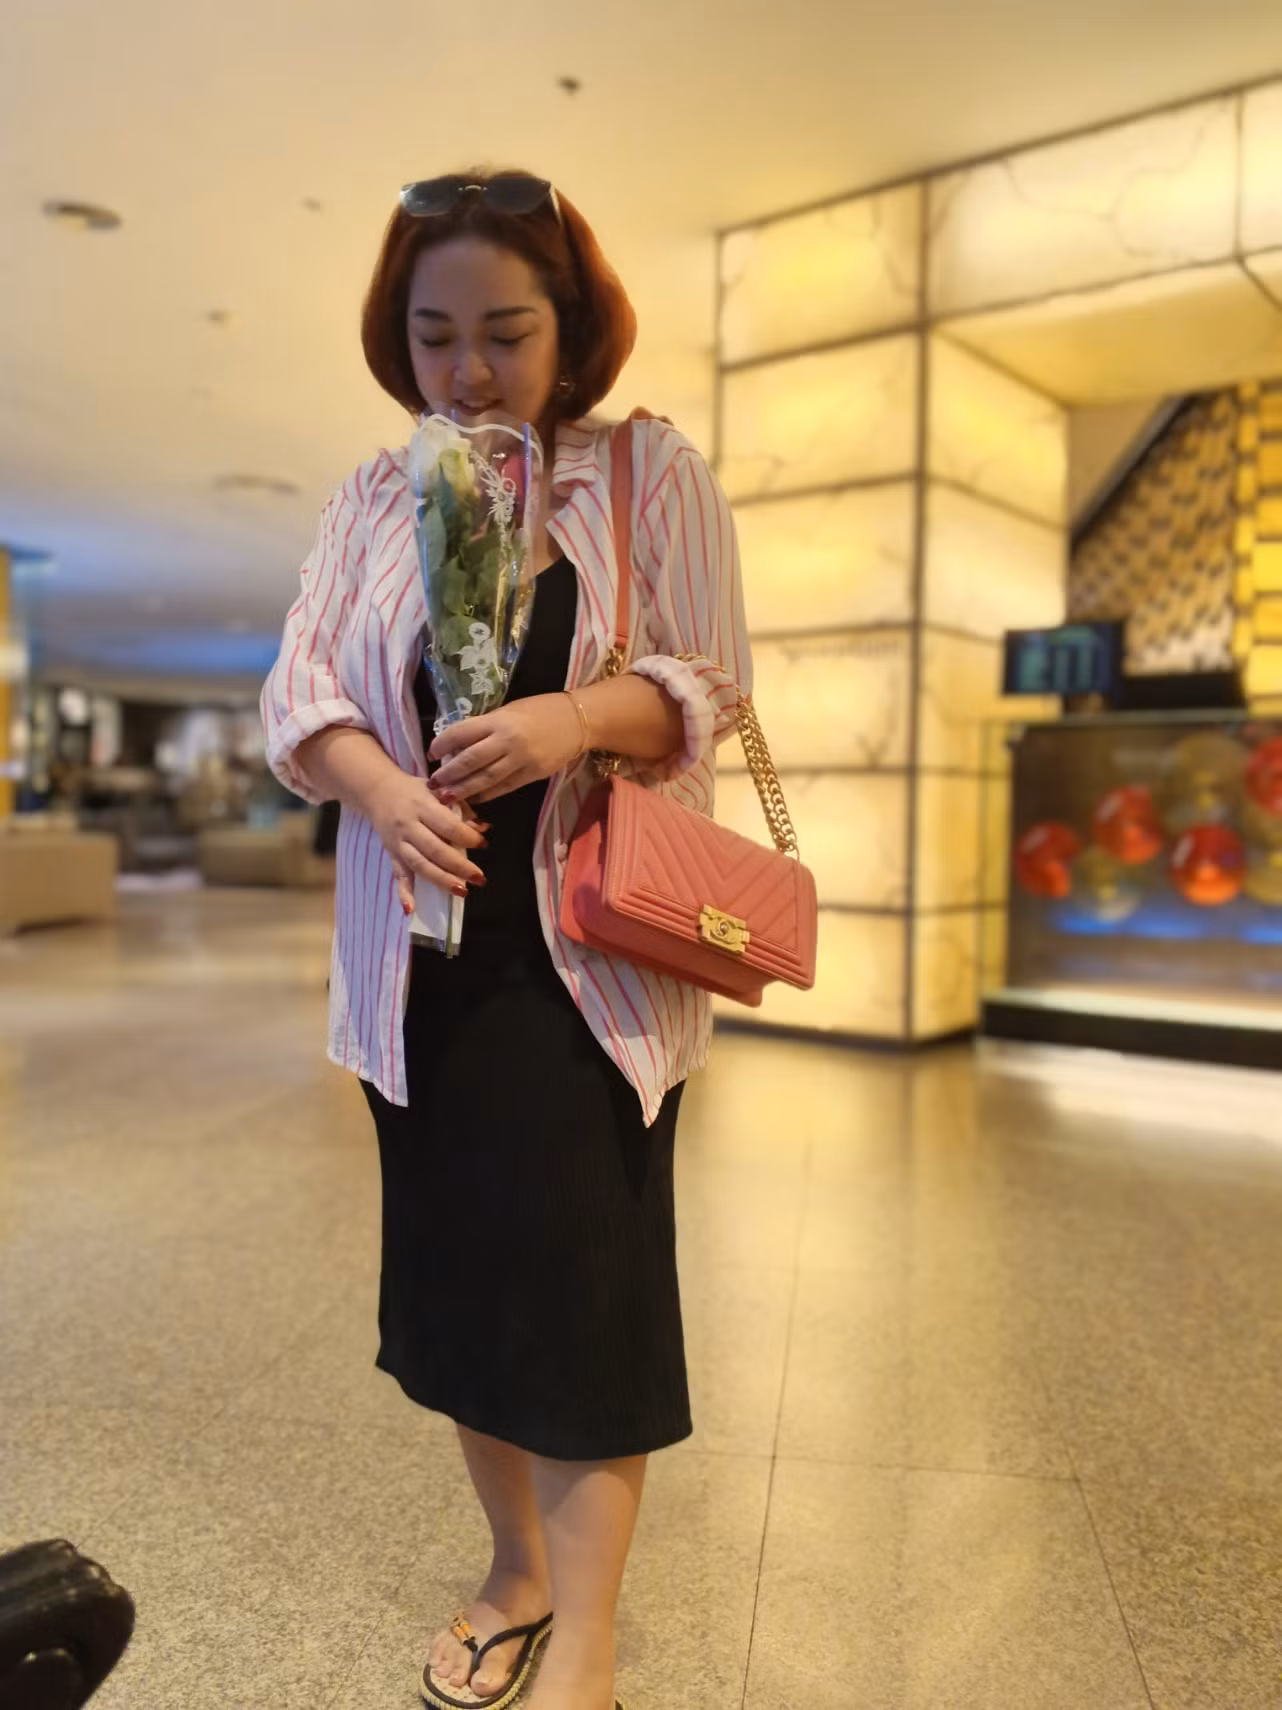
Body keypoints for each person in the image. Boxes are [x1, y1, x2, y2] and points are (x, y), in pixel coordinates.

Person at [261, 169, 751, 1710]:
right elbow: (297, 693)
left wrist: (571, 717)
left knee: (585, 1301)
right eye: (435, 334)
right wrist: (378, 789)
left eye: (504, 332)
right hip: (418, 969)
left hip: (586, 965)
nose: (467, 370)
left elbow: (711, 682)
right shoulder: (374, 496)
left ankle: (582, 1639)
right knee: (462, 1291)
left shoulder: (644, 471)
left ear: (570, 328)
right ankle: (514, 1574)